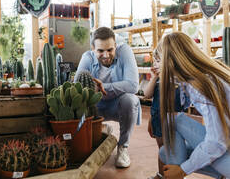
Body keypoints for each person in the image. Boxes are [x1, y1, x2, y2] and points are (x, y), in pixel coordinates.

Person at [157, 32, 230, 179]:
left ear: (170, 61)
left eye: (158, 60)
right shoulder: (205, 76)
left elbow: (217, 142)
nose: (156, 65)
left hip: (224, 146)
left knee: (174, 121)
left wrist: (182, 170)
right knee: (165, 151)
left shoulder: (202, 86)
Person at [74, 27, 141, 168]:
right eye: (100, 51)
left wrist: (102, 87)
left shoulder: (125, 51)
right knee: (78, 104)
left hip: (118, 105)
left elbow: (133, 85)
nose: (106, 55)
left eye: (110, 50)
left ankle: (123, 147)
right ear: (93, 49)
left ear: (115, 45)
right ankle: (86, 146)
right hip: (95, 108)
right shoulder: (87, 57)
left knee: (131, 99)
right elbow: (77, 88)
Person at [144, 46, 189, 179]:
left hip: (175, 124)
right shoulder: (157, 80)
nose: (155, 64)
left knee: (175, 149)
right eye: (154, 61)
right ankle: (161, 174)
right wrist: (153, 78)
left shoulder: (178, 82)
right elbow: (147, 95)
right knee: (162, 149)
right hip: (158, 120)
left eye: (158, 61)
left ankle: (177, 174)